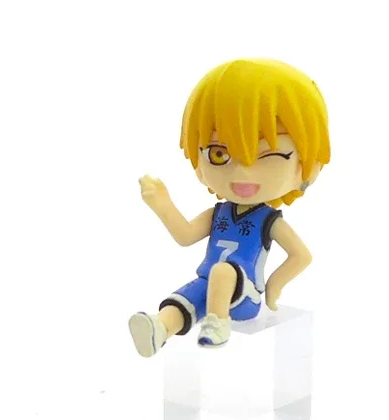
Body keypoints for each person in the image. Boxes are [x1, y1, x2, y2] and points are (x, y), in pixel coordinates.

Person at [129, 58, 330, 356]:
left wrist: (273, 287)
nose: (243, 173)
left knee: (223, 271)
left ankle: (218, 323)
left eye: (269, 154)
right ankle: (159, 329)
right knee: (183, 300)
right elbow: (185, 235)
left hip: (245, 296)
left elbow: (301, 256)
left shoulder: (268, 220)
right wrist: (162, 204)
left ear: (306, 167)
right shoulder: (219, 213)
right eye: (219, 154)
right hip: (208, 284)